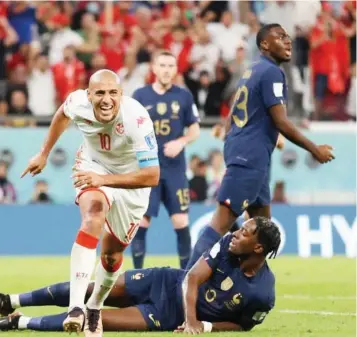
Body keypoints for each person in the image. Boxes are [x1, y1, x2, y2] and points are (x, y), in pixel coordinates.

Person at [20, 69, 160, 336]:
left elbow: (152, 176)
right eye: (99, 93)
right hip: (92, 165)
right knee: (93, 216)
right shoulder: (77, 102)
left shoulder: (137, 118)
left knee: (111, 255)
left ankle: (94, 306)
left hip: (132, 181)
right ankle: (76, 308)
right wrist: (43, 153)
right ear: (88, 94)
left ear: (121, 94)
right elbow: (62, 113)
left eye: (112, 93)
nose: (106, 100)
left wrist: (104, 179)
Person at [186, 23, 335, 270]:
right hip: (249, 156)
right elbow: (281, 120)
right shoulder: (272, 73)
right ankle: (183, 285)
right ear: (264, 44)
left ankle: (252, 284)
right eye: (280, 37)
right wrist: (314, 149)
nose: (287, 41)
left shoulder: (252, 70)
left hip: (251, 154)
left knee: (263, 231)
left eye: (288, 37)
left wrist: (226, 127)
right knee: (220, 224)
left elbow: (238, 101)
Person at [0, 217, 280, 333]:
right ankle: (11, 300)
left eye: (245, 232)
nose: (236, 233)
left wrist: (205, 327)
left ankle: (17, 322)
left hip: (166, 315)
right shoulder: (227, 244)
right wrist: (193, 319)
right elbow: (193, 278)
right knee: (88, 289)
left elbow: (242, 327)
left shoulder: (262, 294)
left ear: (258, 247)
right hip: (165, 281)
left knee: (92, 319)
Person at [131, 50, 200, 270]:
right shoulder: (140, 96)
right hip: (147, 169)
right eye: (162, 65)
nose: (167, 70)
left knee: (181, 221)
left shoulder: (184, 96)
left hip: (175, 170)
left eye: (171, 66)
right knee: (142, 222)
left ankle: (185, 276)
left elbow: (195, 129)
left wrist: (181, 142)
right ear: (153, 68)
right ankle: (138, 275)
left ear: (176, 69)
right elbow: (129, 129)